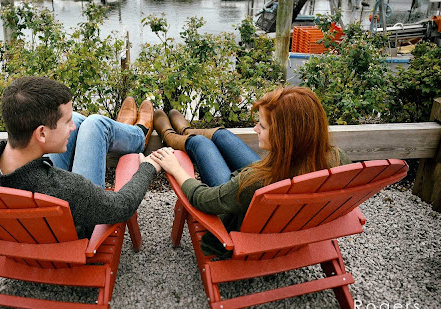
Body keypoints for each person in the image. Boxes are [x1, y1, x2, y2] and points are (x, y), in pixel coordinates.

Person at [0, 76, 160, 239]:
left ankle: (114, 129)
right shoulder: (70, 190)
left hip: (14, 233)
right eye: (66, 122)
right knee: (95, 124)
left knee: (82, 120)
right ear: (41, 133)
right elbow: (122, 206)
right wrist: (148, 166)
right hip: (68, 236)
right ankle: (134, 133)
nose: (72, 127)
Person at [150, 86, 350, 258]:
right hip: (285, 208)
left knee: (201, 144)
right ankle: (186, 130)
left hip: (245, 216)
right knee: (223, 136)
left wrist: (176, 169)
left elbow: (203, 198)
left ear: (284, 137)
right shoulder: (337, 158)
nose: (255, 129)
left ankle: (171, 135)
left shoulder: (255, 181)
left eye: (261, 126)